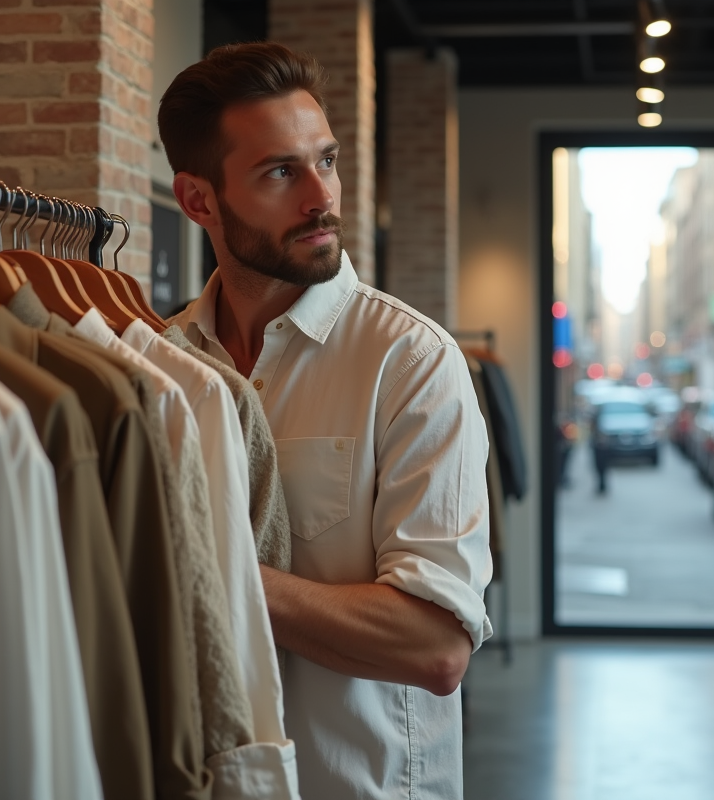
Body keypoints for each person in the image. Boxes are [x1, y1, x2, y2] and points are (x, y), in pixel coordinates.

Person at [158, 42, 493, 800]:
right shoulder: (159, 363)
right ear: (199, 200)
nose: (322, 196)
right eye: (282, 171)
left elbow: (437, 646)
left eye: (328, 161)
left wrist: (205, 570)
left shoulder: (409, 361)